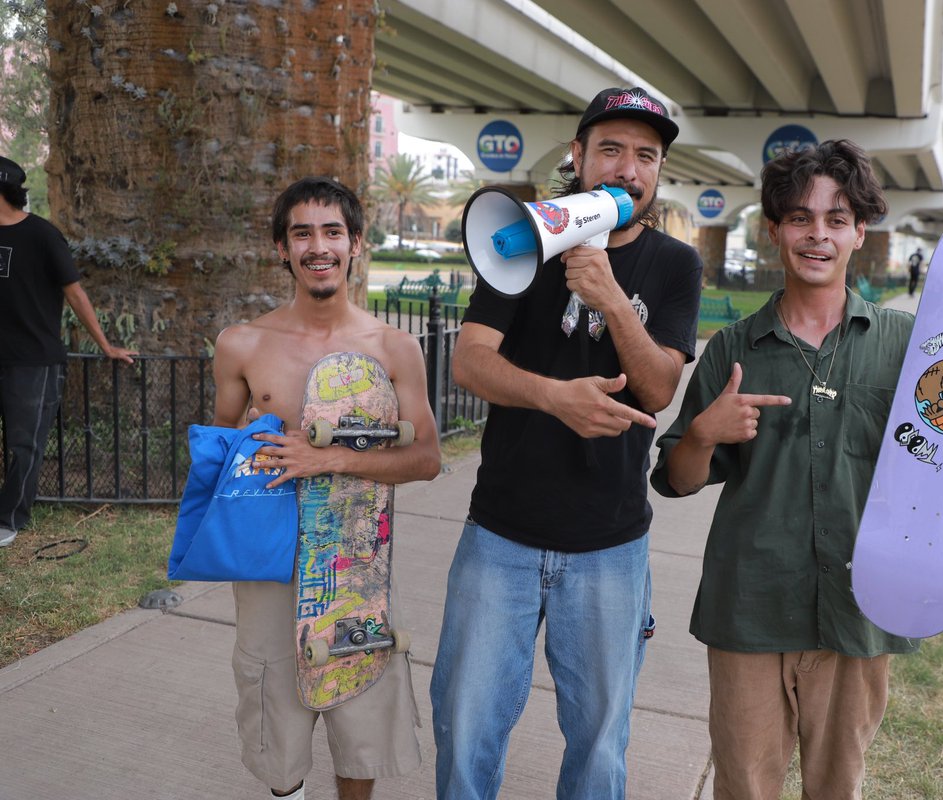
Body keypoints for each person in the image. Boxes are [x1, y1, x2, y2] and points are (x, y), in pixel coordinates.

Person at [650, 139, 943, 800]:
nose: (817, 234)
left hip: (861, 609)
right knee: (744, 786)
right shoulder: (733, 348)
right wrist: (704, 433)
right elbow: (677, 480)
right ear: (774, 231)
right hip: (750, 609)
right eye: (800, 218)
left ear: (859, 233)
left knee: (838, 787)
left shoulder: (910, 345)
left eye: (836, 219)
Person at [430, 87, 703, 800]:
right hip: (501, 533)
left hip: (611, 544)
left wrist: (611, 298)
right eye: (610, 149)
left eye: (646, 155)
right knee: (465, 725)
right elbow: (469, 362)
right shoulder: (523, 241)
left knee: (600, 743)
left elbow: (657, 389)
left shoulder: (675, 265)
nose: (627, 169)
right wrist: (555, 398)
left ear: (659, 171)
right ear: (577, 157)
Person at [211, 176, 441, 800]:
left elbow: (426, 458)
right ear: (282, 249)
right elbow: (219, 455)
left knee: (358, 701)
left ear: (356, 244)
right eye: (302, 234)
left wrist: (328, 458)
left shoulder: (394, 348)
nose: (319, 247)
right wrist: (243, 456)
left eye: (333, 232)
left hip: (356, 556)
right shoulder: (242, 344)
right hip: (269, 558)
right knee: (274, 709)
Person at [0, 156, 136, 547]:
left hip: (34, 360)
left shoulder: (42, 235)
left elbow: (75, 293)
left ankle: (9, 518)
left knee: (24, 444)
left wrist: (105, 345)